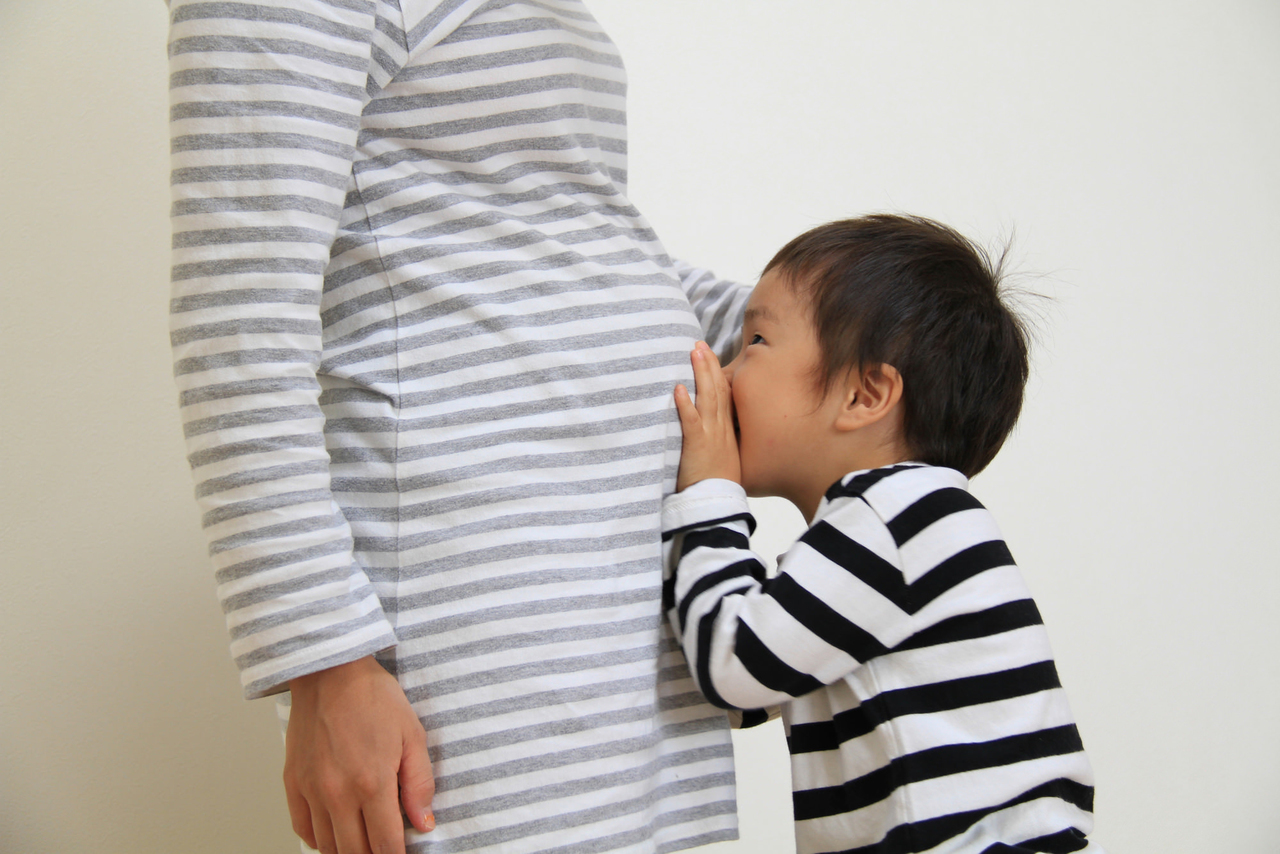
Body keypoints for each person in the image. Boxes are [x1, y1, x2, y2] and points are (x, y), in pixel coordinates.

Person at [168, 2, 752, 853]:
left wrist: (864, 330)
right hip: (486, 592)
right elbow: (238, 321)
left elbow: (572, 237)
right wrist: (326, 662)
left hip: (628, 584)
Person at [665, 215, 1103, 853]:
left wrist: (707, 494)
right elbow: (745, 692)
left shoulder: (900, 514)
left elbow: (734, 667)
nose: (725, 371)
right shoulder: (889, 528)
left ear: (866, 394)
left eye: (754, 339)